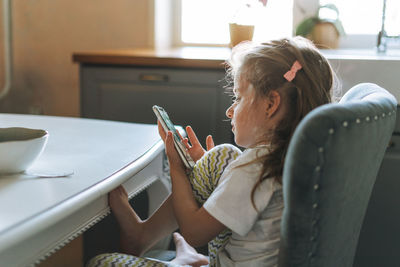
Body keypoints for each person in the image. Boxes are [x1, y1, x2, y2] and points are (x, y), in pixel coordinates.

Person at [87, 36, 338, 267]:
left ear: (271, 104)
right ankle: (144, 235)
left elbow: (193, 232)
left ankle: (169, 250)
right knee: (221, 156)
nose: (230, 111)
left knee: (102, 262)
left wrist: (177, 169)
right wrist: (208, 170)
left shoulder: (255, 168)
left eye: (238, 98)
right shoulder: (296, 160)